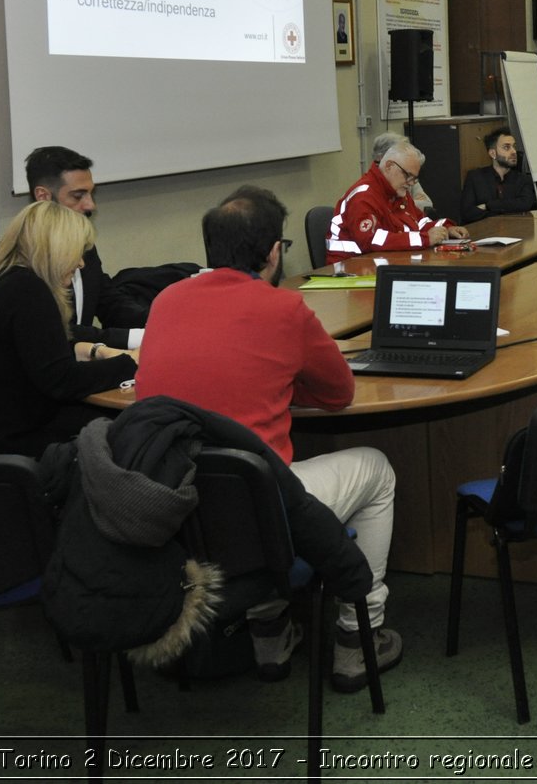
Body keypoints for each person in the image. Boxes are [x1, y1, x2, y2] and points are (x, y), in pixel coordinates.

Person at [136, 185, 402, 691]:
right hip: (258, 511)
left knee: (247, 482)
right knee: (375, 469)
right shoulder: (284, 310)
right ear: (274, 251)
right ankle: (357, 635)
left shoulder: (166, 301)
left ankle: (270, 634)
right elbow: (339, 393)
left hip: (179, 507)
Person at [0, 200, 138, 459]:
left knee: (103, 423)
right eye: (76, 252)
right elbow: (62, 381)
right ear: (55, 250)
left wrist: (94, 350)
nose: (80, 264)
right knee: (124, 430)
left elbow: (38, 349)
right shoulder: (28, 291)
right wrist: (130, 362)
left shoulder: (6, 280)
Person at [25, 145, 145, 349]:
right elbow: (59, 330)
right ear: (43, 196)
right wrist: (137, 338)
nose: (91, 205)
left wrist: (162, 320)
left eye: (90, 194)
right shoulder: (26, 260)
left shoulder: (84, 246)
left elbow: (108, 302)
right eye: (78, 196)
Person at [326, 137, 467, 263]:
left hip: (380, 263)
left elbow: (418, 222)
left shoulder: (397, 192)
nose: (411, 183)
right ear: (389, 166)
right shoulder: (363, 196)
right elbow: (371, 240)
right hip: (348, 270)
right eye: (408, 175)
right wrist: (424, 239)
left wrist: (446, 229)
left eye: (415, 178)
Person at [460, 126, 535, 223]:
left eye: (514, 146)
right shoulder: (475, 178)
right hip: (484, 233)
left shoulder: (523, 179)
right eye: (506, 147)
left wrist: (488, 206)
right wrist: (507, 210)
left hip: (516, 232)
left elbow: (525, 204)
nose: (514, 151)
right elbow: (467, 213)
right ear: (492, 153)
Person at [371, 130, 433, 212]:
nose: (410, 182)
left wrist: (403, 204)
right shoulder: (369, 190)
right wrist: (405, 203)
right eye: (400, 152)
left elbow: (427, 204)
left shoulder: (409, 179)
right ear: (384, 158)